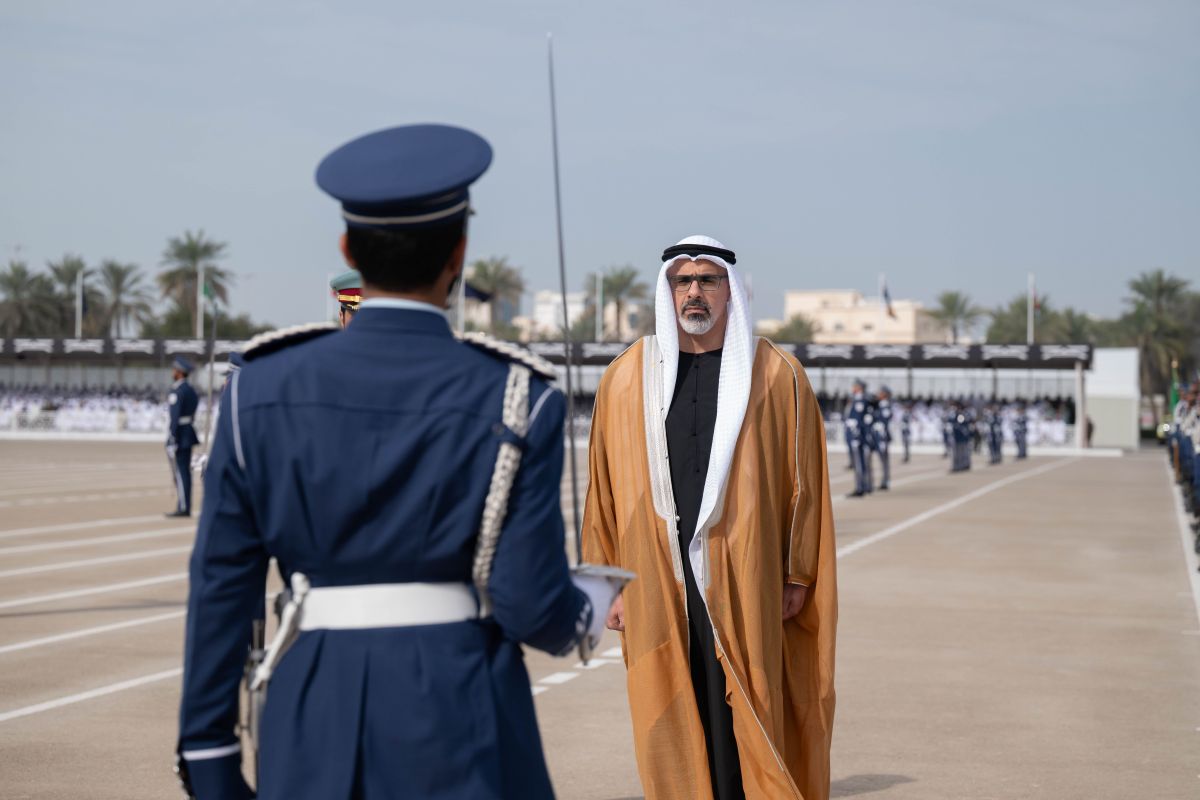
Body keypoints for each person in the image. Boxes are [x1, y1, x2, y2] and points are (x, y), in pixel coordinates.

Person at [176, 123, 624, 800]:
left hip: (312, 706)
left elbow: (221, 588)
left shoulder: (256, 390)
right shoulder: (519, 396)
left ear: (348, 249)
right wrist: (580, 613)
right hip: (459, 703)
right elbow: (529, 602)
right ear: (459, 253)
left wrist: (208, 753)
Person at [582, 235, 837, 800]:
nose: (694, 292)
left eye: (707, 280)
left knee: (745, 696)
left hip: (746, 573)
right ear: (668, 290)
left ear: (729, 290)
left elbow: (805, 483)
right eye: (683, 281)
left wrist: (797, 573)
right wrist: (605, 583)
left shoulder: (776, 375)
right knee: (672, 694)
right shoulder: (626, 377)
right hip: (657, 573)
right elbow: (602, 489)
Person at [165, 356, 199, 517]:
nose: (172, 372)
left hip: (180, 434)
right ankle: (184, 504)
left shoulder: (177, 390)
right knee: (185, 471)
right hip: (188, 431)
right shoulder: (191, 390)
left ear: (179, 372)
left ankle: (183, 506)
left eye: (174, 370)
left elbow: (175, 416)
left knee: (181, 471)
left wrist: (172, 437)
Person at [845, 379, 872, 497]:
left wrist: (856, 435)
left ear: (859, 387)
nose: (853, 388)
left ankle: (860, 487)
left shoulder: (860, 400)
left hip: (858, 436)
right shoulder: (857, 400)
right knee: (860, 462)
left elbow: (859, 420)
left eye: (855, 386)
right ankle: (864, 486)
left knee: (859, 463)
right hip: (857, 435)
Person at [873, 385, 894, 490]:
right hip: (878, 435)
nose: (878, 394)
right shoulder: (880, 405)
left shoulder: (885, 406)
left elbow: (885, 421)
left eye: (880, 392)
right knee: (882, 460)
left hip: (882, 436)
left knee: (884, 460)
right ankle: (884, 480)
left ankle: (886, 481)